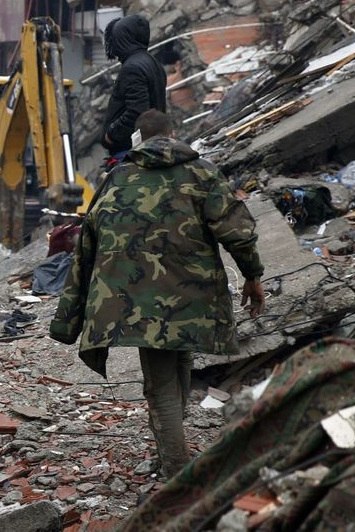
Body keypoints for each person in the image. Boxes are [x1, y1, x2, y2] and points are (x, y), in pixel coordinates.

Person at [49, 109, 265, 480]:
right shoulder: (201, 172)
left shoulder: (117, 177)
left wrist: (74, 310)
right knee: (173, 368)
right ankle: (177, 464)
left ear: (139, 137)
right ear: (174, 132)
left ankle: (176, 469)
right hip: (191, 293)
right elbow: (237, 230)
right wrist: (252, 275)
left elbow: (87, 241)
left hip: (130, 299)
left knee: (168, 375)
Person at [100, 14, 167, 161]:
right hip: (151, 147)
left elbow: (138, 111)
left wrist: (111, 134)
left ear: (124, 38)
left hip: (132, 152)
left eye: (116, 39)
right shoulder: (153, 63)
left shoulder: (132, 68)